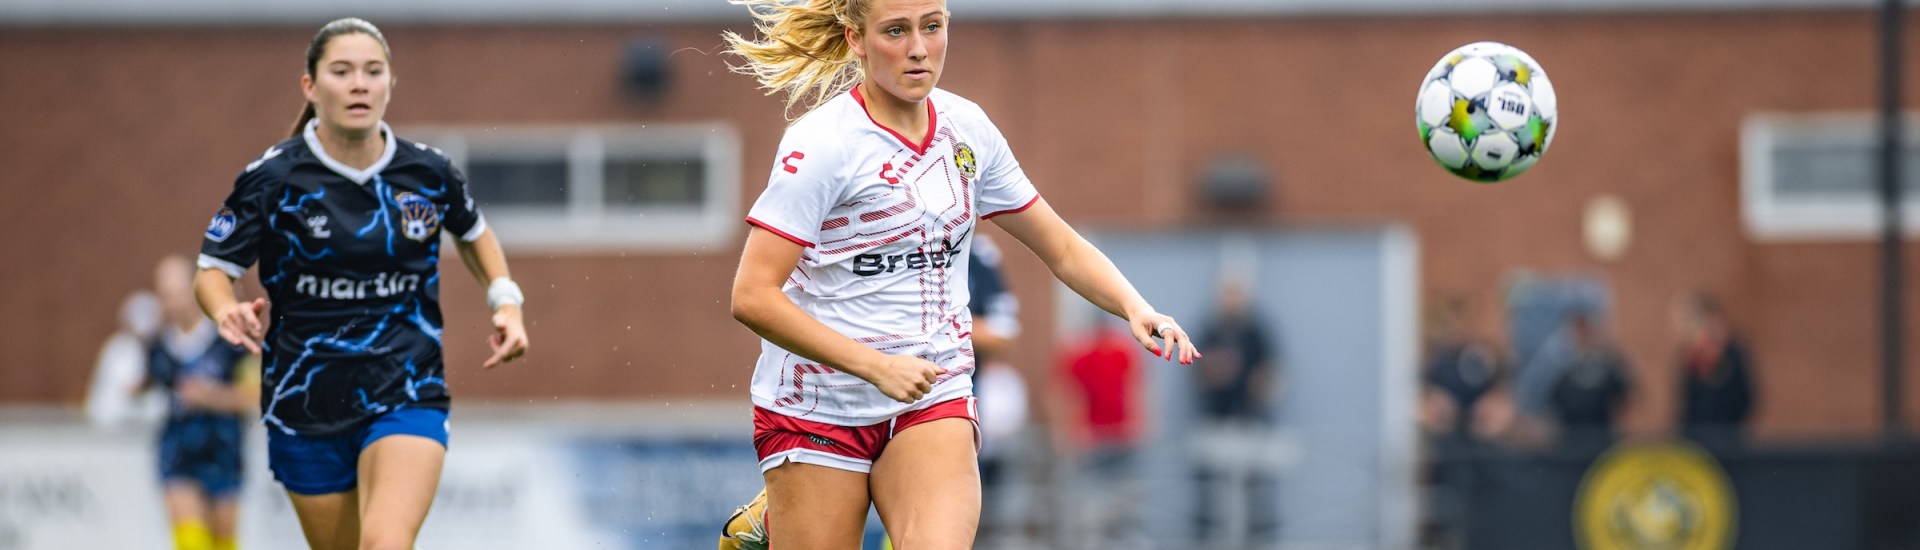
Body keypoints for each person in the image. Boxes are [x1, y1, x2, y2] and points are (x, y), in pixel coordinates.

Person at [716, 0, 1198, 548]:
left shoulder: (968, 130)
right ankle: (771, 524)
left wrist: (1136, 306)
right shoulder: (823, 144)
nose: (918, 49)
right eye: (896, 31)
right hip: (817, 406)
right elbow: (752, 296)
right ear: (856, 39)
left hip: (931, 395)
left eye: (932, 27)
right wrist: (876, 366)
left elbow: (1061, 245)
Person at [191, 17, 529, 550]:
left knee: (384, 543)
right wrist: (223, 310)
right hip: (303, 403)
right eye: (342, 71)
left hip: (406, 389)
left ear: (390, 84)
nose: (359, 85)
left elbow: (473, 234)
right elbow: (212, 270)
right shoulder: (272, 179)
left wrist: (505, 299)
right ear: (310, 86)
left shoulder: (428, 172)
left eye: (373, 72)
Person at [144, 255, 259, 550]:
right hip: (179, 449)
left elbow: (255, 394)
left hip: (223, 448)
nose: (169, 301)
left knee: (223, 539)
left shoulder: (229, 339)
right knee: (191, 538)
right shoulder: (158, 346)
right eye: (163, 293)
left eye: (175, 292)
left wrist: (213, 397)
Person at [1191, 279, 1281, 543]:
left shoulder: (1257, 333)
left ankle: (1257, 539)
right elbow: (1198, 371)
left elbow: (1270, 371)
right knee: (1210, 485)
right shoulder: (1210, 331)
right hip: (1216, 419)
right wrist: (1215, 371)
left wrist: (1260, 389)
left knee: (1254, 486)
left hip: (1249, 420)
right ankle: (1206, 539)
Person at [1672, 291, 1755, 448]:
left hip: (1726, 441)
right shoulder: (1689, 358)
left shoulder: (1732, 354)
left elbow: (1744, 398)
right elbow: (1685, 404)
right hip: (1694, 442)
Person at [1546, 310, 1632, 452]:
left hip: (1601, 440)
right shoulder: (1563, 368)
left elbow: (1623, 392)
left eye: (1584, 332)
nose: (1579, 337)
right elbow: (1554, 399)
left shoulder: (1607, 366)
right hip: (1571, 442)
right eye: (1575, 332)